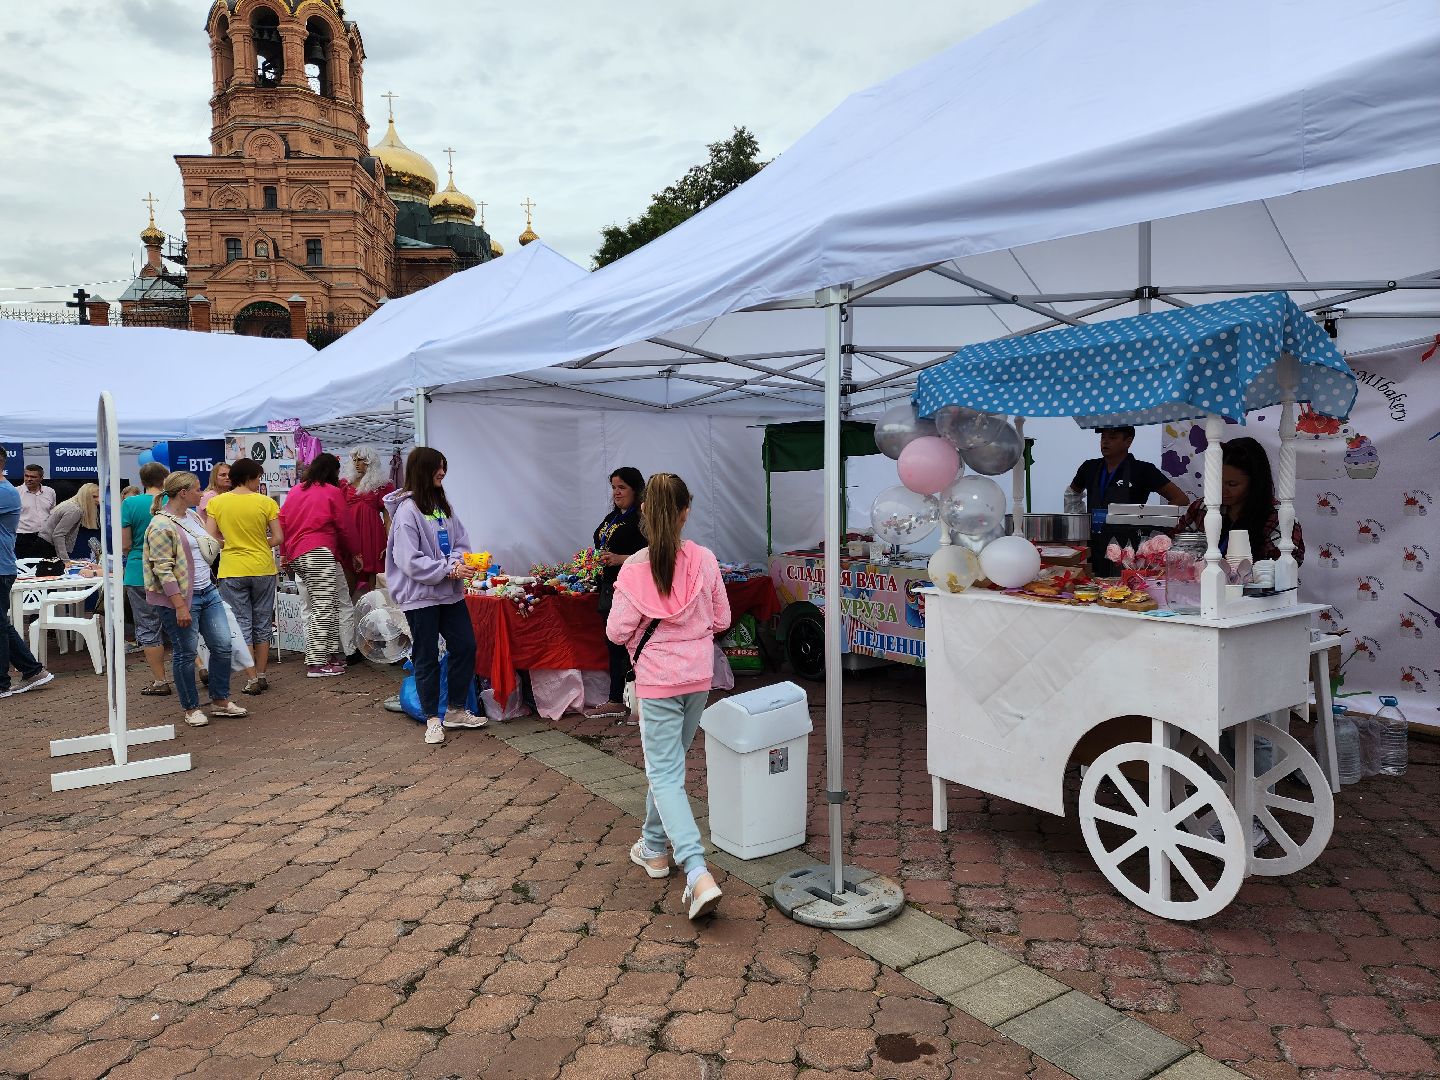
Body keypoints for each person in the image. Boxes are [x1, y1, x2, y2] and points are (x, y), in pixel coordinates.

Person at [607, 473, 729, 921]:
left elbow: (616, 630)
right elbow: (722, 617)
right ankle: (655, 848)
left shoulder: (633, 569)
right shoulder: (705, 559)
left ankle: (696, 870)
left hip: (658, 680)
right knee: (670, 769)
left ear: (644, 514)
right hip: (697, 676)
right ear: (685, 512)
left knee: (664, 772)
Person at [384, 446, 486, 744]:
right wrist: (447, 569)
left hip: (449, 594)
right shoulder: (406, 512)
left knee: (465, 645)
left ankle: (455, 710)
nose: (442, 473)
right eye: (438, 468)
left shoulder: (443, 506)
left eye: (444, 467)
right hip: (420, 596)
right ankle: (432, 718)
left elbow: (460, 542)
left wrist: (455, 564)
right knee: (425, 654)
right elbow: (408, 560)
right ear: (422, 470)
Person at [142, 471, 248, 727]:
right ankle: (190, 707)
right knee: (186, 653)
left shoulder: (192, 516)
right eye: (198, 489)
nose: (202, 494)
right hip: (181, 597)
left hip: (207, 590)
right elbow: (162, 568)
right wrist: (179, 605)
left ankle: (220, 700)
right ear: (183, 493)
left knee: (223, 646)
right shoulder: (160, 525)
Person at [279, 454, 362, 678]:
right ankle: (316, 662)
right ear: (332, 472)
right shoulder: (332, 492)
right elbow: (345, 526)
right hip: (320, 551)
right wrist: (356, 552)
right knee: (324, 607)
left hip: (300, 554)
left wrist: (285, 554)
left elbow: (283, 523)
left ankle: (330, 654)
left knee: (327, 604)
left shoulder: (296, 491)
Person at [206, 457, 282, 696]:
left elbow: (210, 537)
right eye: (258, 478)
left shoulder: (217, 503)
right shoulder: (266, 502)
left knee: (241, 624)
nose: (259, 482)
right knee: (262, 622)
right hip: (262, 567)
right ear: (250, 478)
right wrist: (261, 543)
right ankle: (261, 674)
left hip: (231, 568)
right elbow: (278, 538)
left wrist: (230, 543)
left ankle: (250, 679)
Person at [1067, 426, 1189, 575]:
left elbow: (1181, 499)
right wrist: (1079, 526)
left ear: (1128, 441)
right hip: (1093, 543)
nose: (1105, 442)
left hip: (1129, 548)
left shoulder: (1143, 470)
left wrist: (1154, 526)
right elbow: (1072, 493)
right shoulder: (1089, 467)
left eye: (1112, 438)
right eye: (1103, 437)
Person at [1175, 436, 1305, 564]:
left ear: (1255, 483)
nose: (1221, 490)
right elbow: (1176, 545)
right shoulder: (1202, 508)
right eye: (1216, 481)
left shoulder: (1279, 518)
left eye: (1232, 484)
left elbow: (1285, 569)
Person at [587, 467, 647, 720]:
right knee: (613, 643)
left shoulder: (642, 519)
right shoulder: (614, 517)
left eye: (622, 487)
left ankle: (633, 700)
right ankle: (617, 698)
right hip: (610, 587)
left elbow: (654, 553)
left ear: (635, 489)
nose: (616, 492)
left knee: (629, 644)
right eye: (613, 487)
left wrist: (621, 559)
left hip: (633, 589)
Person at [0, 448, 53, 699]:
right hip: (5, 564)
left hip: (1, 567)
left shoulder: (5, 492)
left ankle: (4, 681)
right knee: (1, 624)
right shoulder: (13, 491)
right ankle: (32, 670)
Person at [122, 462, 173, 696]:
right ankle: (200, 667)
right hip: (170, 570)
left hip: (137, 571)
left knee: (147, 626)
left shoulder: (130, 503)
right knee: (179, 622)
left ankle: (160, 681)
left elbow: (124, 544)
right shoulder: (170, 503)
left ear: (142, 481)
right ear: (165, 479)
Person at [340, 447, 394, 596]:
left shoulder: (383, 486)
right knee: (347, 585)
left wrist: (389, 543)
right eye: (355, 460)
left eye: (361, 459)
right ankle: (348, 618)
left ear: (370, 462)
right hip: (352, 536)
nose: (357, 463)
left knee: (375, 587)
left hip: (373, 536)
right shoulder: (345, 484)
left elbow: (388, 519)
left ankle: (376, 617)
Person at [40, 482, 102, 561]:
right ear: (85, 496)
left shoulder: (72, 506)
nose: (98, 500)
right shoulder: (75, 510)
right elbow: (58, 535)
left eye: (99, 496)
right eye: (94, 497)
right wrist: (65, 560)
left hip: (47, 545)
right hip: (48, 548)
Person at [15, 464, 56, 560]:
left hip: (45, 537)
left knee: (45, 568)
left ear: (41, 478)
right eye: (26, 476)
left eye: (33, 477)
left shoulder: (50, 492)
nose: (29, 479)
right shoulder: (16, 492)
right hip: (23, 537)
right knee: (25, 569)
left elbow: (52, 512)